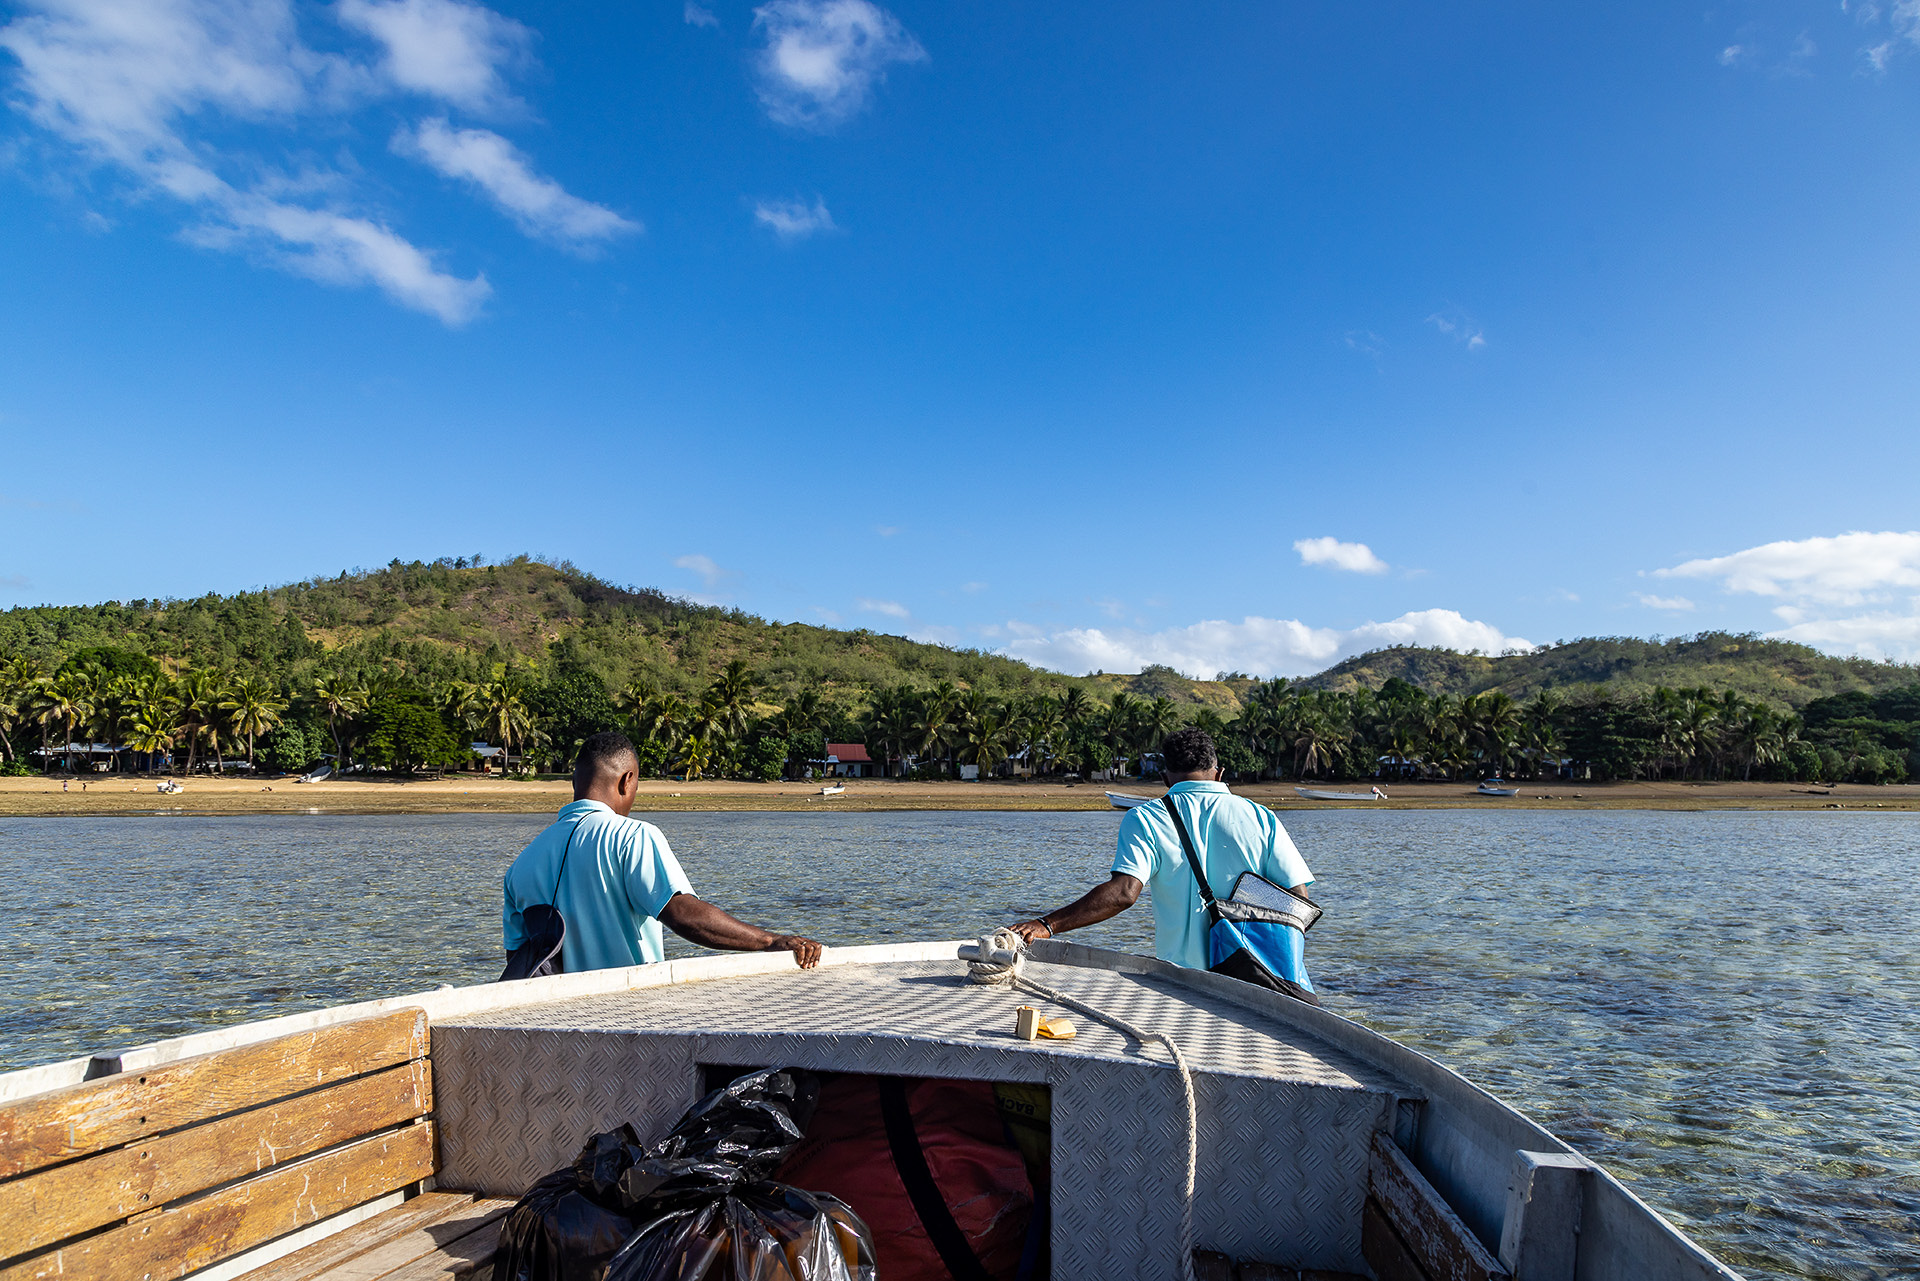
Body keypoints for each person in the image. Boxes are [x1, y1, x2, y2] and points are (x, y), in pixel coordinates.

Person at [1009, 727, 1316, 986]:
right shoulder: (1262, 817)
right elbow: (1297, 900)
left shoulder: (1146, 818)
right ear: (1219, 772)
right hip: (1257, 979)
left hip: (1186, 982)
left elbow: (1124, 894)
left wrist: (1046, 925)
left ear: (1165, 777)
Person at [504, 732, 823, 973]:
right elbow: (684, 915)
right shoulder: (632, 836)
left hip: (562, 1027)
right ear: (627, 782)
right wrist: (771, 941)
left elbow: (518, 961)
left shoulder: (521, 865)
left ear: (575, 780)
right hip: (631, 1017)